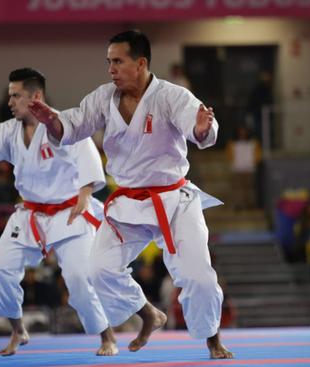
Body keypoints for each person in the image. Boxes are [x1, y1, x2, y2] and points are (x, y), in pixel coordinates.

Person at [29, 30, 233, 359]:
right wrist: (52, 121)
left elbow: (199, 130)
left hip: (173, 201)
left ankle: (212, 338)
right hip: (127, 202)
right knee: (98, 270)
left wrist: (202, 128)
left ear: (140, 63)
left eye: (118, 61)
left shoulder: (171, 96)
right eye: (108, 62)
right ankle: (148, 313)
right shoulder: (102, 98)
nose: (111, 69)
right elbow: (72, 127)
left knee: (199, 276)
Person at [0, 68, 117, 356]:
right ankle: (18, 330)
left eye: (16, 95)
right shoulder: (9, 131)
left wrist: (85, 192)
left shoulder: (62, 124)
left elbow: (86, 151)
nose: (10, 102)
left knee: (79, 278)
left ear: (36, 96)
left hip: (69, 212)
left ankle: (107, 337)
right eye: (10, 96)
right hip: (30, 214)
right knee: (0, 271)